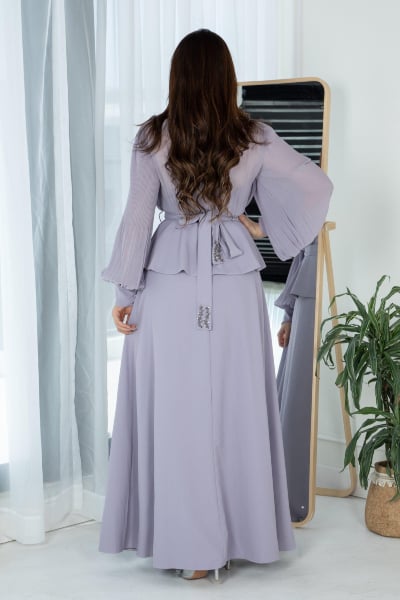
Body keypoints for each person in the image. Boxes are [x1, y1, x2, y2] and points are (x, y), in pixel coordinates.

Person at [98, 29, 333, 581]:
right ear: (227, 77)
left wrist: (125, 294)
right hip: (233, 283)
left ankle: (186, 547)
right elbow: (314, 185)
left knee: (175, 411)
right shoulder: (253, 136)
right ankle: (234, 537)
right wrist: (258, 225)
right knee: (234, 407)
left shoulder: (152, 138)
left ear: (177, 78)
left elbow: (137, 219)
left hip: (168, 284)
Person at [276, 238, 318, 522]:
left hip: (327, 284)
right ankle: (285, 491)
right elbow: (300, 257)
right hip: (307, 296)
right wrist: (288, 316)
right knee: (298, 394)